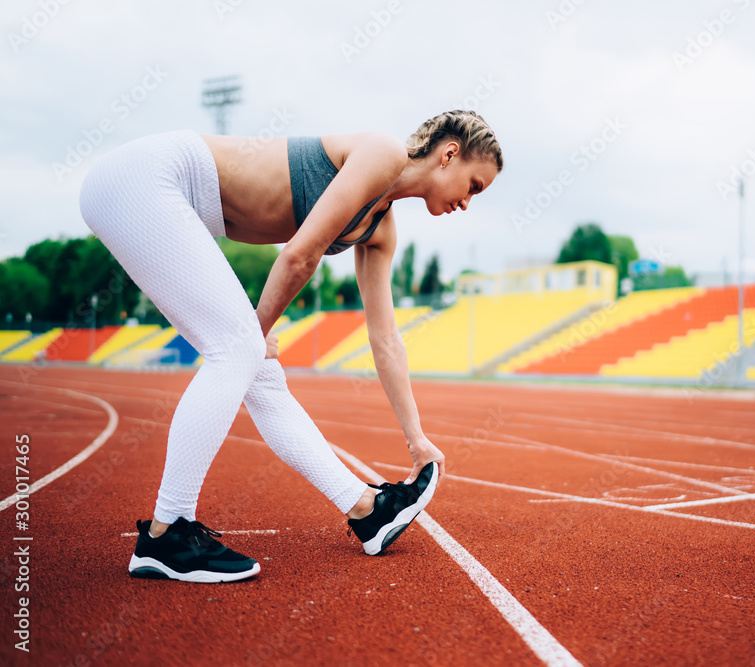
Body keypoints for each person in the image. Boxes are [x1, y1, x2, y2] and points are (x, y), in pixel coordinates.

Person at [78, 110, 503, 583]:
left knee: (261, 376)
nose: (468, 202)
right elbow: (300, 255)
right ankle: (166, 532)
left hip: (156, 194)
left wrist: (416, 439)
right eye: (475, 185)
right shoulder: (382, 152)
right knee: (239, 352)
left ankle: (368, 510)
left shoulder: (379, 230)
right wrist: (255, 333)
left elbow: (385, 339)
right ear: (449, 154)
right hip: (148, 178)